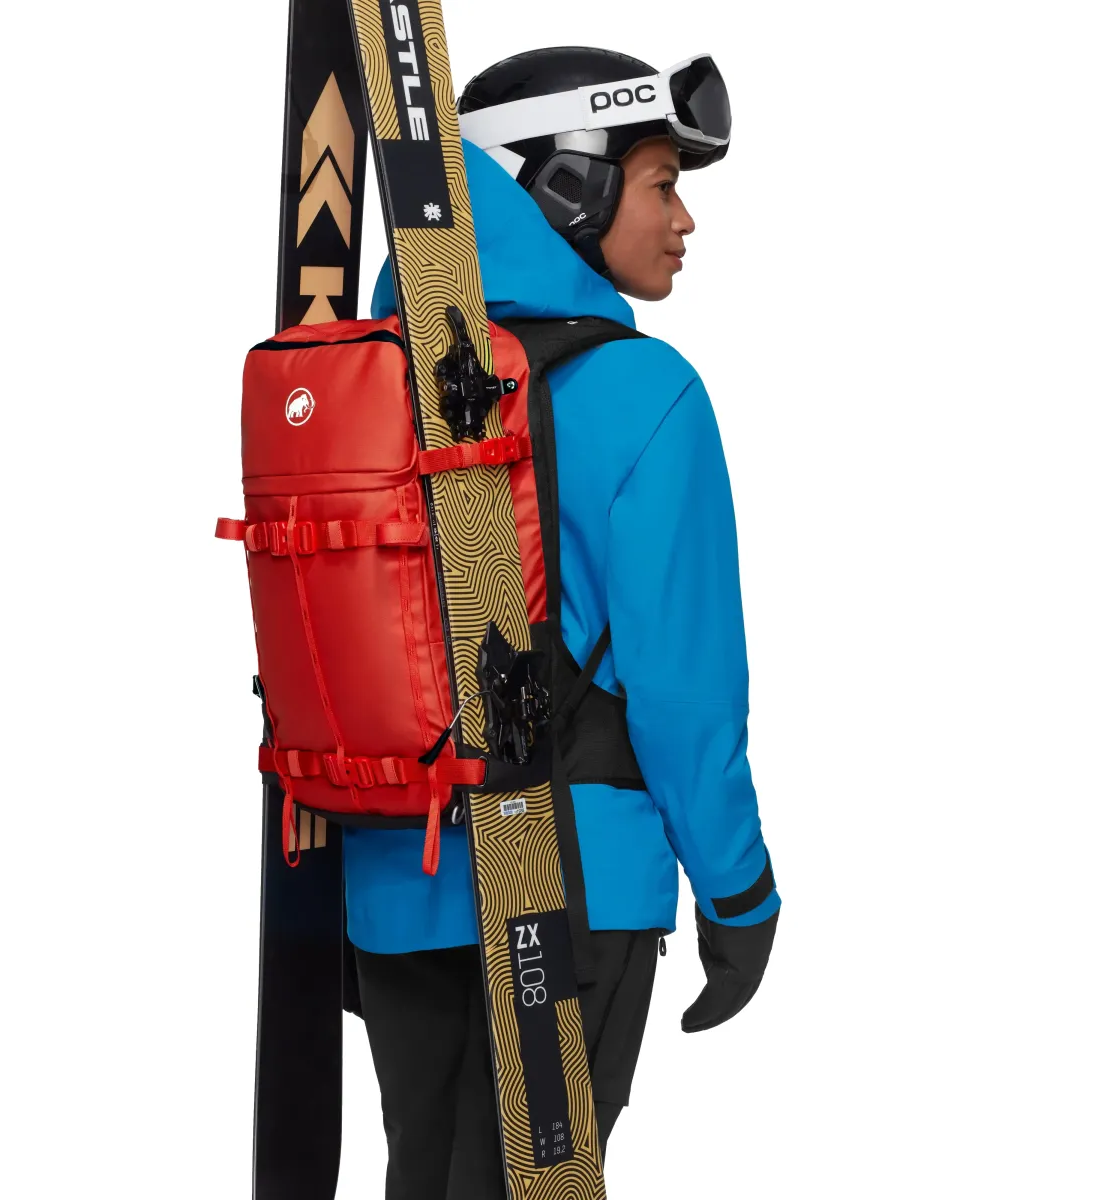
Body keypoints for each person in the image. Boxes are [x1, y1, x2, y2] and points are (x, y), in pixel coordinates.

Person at [342, 46, 781, 1200]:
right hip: (572, 886)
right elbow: (685, 698)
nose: (684, 220)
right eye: (660, 183)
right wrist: (739, 894)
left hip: (390, 883)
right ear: (569, 186)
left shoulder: (364, 379)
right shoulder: (646, 393)